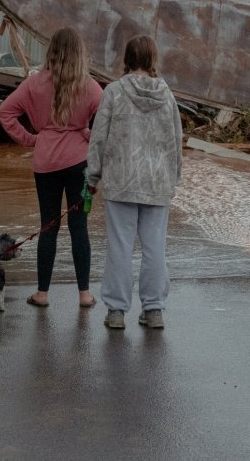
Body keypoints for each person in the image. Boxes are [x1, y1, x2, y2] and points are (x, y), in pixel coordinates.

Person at [0, 27, 103, 309]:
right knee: (79, 227)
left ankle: (42, 293)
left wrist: (31, 139)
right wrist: (88, 136)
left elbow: (4, 112)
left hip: (45, 162)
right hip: (79, 162)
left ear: (51, 51)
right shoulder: (90, 86)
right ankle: (84, 294)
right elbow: (106, 125)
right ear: (79, 54)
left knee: (49, 225)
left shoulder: (34, 84)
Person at [86, 35, 183, 330]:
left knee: (120, 246)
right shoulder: (167, 95)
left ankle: (116, 311)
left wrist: (92, 176)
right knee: (155, 247)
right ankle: (153, 310)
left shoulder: (114, 92)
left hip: (121, 181)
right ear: (153, 59)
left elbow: (98, 137)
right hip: (156, 182)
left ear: (127, 57)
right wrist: (173, 178)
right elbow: (176, 141)